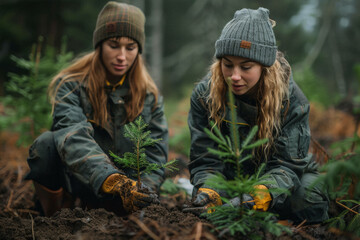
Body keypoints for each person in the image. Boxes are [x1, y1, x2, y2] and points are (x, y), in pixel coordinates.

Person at [25, 1, 168, 217]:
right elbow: (72, 136)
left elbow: (156, 154)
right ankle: (55, 217)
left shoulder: (149, 96)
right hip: (82, 181)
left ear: (138, 50)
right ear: (99, 45)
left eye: (130, 48)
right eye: (114, 45)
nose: (122, 56)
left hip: (127, 192)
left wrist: (143, 192)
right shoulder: (71, 85)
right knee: (45, 145)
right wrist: (110, 179)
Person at [186, 7, 329, 224]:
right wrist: (210, 189)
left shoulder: (291, 100)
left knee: (311, 201)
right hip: (230, 178)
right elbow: (205, 159)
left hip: (281, 178)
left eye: (246, 67)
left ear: (264, 66)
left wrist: (259, 195)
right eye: (227, 65)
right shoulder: (204, 96)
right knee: (206, 202)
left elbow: (288, 165)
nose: (235, 76)